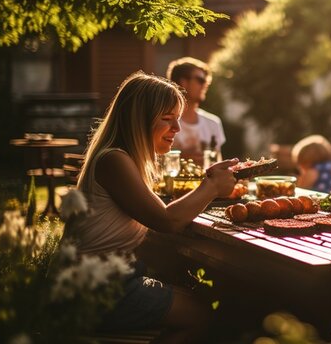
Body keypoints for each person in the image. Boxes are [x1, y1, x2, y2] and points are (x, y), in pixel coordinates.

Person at [69, 71, 238, 342]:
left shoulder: (124, 159)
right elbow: (167, 221)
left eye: (178, 120)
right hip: (94, 288)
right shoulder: (114, 160)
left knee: (200, 297)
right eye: (168, 119)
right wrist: (213, 187)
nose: (177, 130)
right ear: (139, 120)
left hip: (110, 279)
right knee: (202, 315)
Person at [166, 57, 226, 165]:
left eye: (207, 81)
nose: (205, 85)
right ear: (183, 82)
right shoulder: (163, 121)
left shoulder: (213, 123)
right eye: (201, 80)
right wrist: (183, 157)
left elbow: (217, 163)